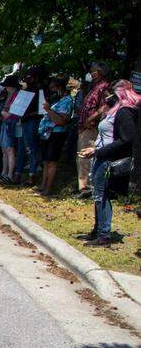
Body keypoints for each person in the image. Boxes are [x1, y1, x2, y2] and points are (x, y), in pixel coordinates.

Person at [79, 80, 139, 247]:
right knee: (98, 196)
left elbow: (126, 139)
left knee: (102, 196)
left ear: (120, 93)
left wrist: (97, 152)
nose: (107, 97)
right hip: (102, 156)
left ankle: (104, 235)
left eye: (110, 94)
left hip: (108, 159)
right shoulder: (115, 110)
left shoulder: (125, 112)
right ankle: (98, 231)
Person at [75, 62, 112, 198]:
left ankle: (88, 189)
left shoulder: (104, 87)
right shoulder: (94, 87)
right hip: (84, 128)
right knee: (81, 158)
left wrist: (90, 119)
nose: (91, 73)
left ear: (100, 72)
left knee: (87, 157)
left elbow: (104, 107)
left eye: (93, 70)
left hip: (91, 128)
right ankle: (82, 188)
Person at [36, 76, 76, 197]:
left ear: (60, 88)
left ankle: (48, 188)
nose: (52, 89)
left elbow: (61, 121)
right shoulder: (56, 100)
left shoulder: (67, 101)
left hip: (57, 134)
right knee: (46, 161)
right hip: (47, 133)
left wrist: (48, 110)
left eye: (54, 87)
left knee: (52, 161)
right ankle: (42, 186)